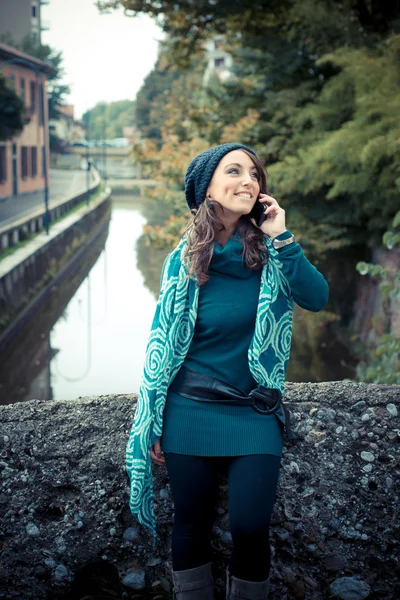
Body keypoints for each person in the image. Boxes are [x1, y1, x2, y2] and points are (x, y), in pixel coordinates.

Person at [126, 143, 329, 600]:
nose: (248, 181)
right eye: (234, 171)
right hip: (188, 409)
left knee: (251, 526)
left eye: (254, 174)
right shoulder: (182, 262)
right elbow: (161, 348)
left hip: (253, 413)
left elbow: (317, 298)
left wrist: (282, 235)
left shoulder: (273, 254)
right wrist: (153, 416)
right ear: (207, 188)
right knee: (191, 522)